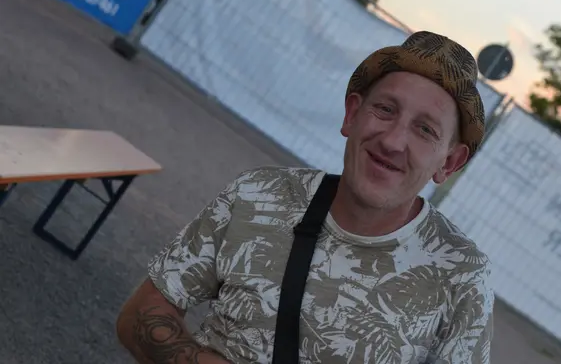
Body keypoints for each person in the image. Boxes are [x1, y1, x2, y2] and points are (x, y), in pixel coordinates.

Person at [116, 30, 494, 364]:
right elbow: (140, 315)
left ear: (449, 162)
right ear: (352, 114)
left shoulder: (461, 275)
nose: (393, 141)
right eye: (385, 109)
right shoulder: (259, 195)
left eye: (425, 130)